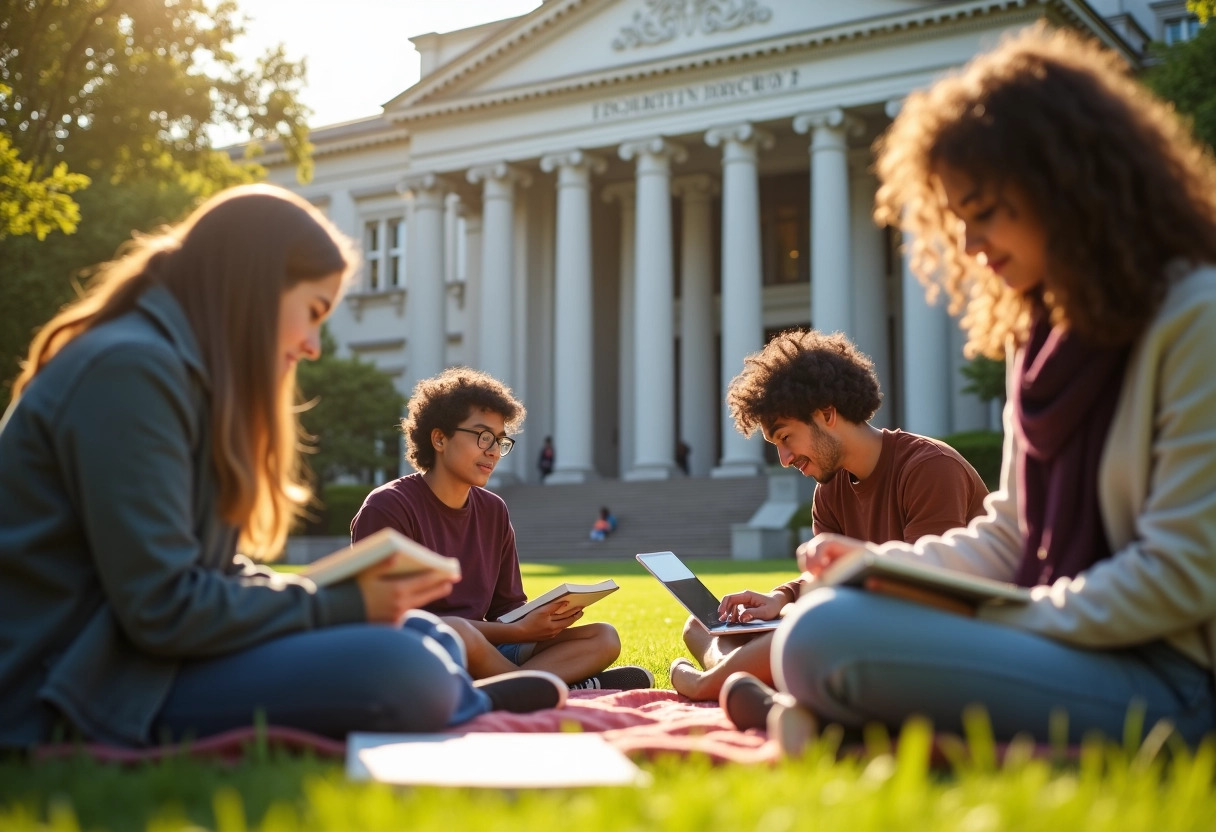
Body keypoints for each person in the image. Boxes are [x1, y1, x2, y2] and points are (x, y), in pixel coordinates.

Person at [745, 23, 1216, 753]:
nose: (968, 246)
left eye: (986, 211)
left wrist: (993, 617)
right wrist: (876, 566)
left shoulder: (1195, 318)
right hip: (1069, 642)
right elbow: (1013, 535)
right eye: (958, 219)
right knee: (828, 614)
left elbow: (1181, 577)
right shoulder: (1044, 345)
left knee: (822, 640)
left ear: (1071, 187)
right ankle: (935, 748)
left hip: (1173, 673)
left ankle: (896, 741)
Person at [0, 185, 566, 750]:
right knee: (402, 665)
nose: (315, 345)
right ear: (254, 287)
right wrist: (343, 604)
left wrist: (346, 603)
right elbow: (164, 606)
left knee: (423, 632)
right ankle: (462, 698)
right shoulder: (131, 370)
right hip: (79, 683)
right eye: (313, 312)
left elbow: (205, 576)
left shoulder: (169, 369)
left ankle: (458, 696)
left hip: (136, 656)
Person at [669, 329, 988, 710]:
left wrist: (801, 613)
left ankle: (710, 684)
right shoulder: (830, 490)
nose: (785, 459)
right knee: (701, 627)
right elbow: (826, 580)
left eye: (786, 438)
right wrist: (779, 599)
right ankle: (748, 682)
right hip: (866, 630)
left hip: (942, 638)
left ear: (827, 414)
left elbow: (925, 594)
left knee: (810, 627)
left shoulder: (930, 468)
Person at [351, 368, 653, 691]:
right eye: (482, 436)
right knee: (459, 633)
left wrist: (540, 618)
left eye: (499, 440)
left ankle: (504, 691)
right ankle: (546, 687)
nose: (493, 451)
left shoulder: (494, 510)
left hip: (487, 650)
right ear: (439, 438)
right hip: (416, 652)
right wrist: (519, 632)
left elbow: (506, 610)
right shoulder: (387, 508)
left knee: (603, 636)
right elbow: (392, 621)